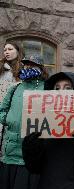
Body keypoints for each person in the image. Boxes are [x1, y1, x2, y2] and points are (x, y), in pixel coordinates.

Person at [0, 54, 48, 189]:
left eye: (32, 65)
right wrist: (9, 120)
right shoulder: (15, 88)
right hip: (10, 154)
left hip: (33, 153)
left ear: (40, 68)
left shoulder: (47, 89)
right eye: (26, 64)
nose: (28, 67)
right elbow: (2, 110)